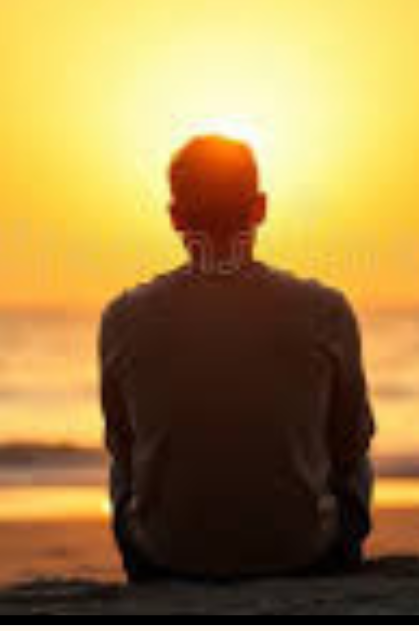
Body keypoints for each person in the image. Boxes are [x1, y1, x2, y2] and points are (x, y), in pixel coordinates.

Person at [99, 134, 375, 582]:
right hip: (302, 554)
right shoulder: (326, 310)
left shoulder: (123, 316)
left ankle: (166, 551)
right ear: (260, 208)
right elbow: (350, 443)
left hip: (168, 558)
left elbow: (124, 449)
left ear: (174, 218)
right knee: (357, 457)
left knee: (121, 469)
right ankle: (329, 556)